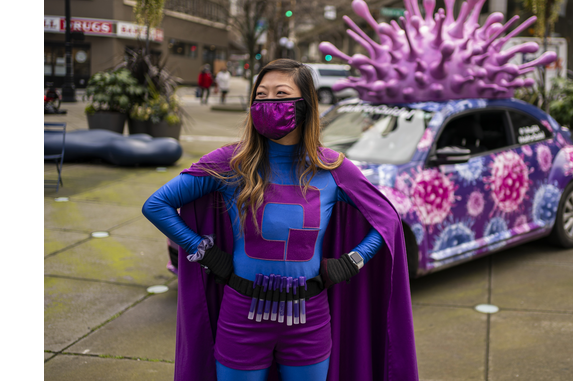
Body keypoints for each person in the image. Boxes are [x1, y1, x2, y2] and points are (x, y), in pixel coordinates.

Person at [142, 59, 418, 381]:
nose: (268, 103)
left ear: (305, 106)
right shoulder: (231, 163)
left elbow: (388, 220)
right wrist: (205, 253)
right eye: (261, 95)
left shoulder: (332, 168)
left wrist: (350, 262)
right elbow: (157, 204)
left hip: (309, 318)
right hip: (241, 315)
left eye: (281, 94)